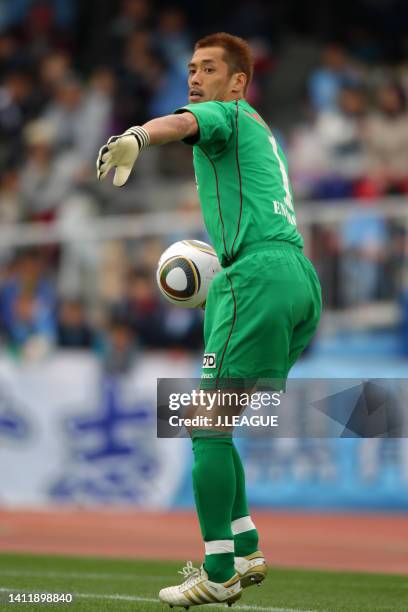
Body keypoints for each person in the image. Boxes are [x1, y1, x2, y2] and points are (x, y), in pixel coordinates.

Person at [97, 32, 322, 608]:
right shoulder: (258, 130)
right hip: (297, 278)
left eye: (209, 69)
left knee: (202, 426)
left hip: (257, 276)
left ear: (237, 81)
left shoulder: (225, 114)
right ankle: (244, 546)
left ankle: (219, 569)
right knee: (218, 425)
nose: (194, 78)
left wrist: (136, 136)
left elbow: (182, 126)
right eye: (192, 68)